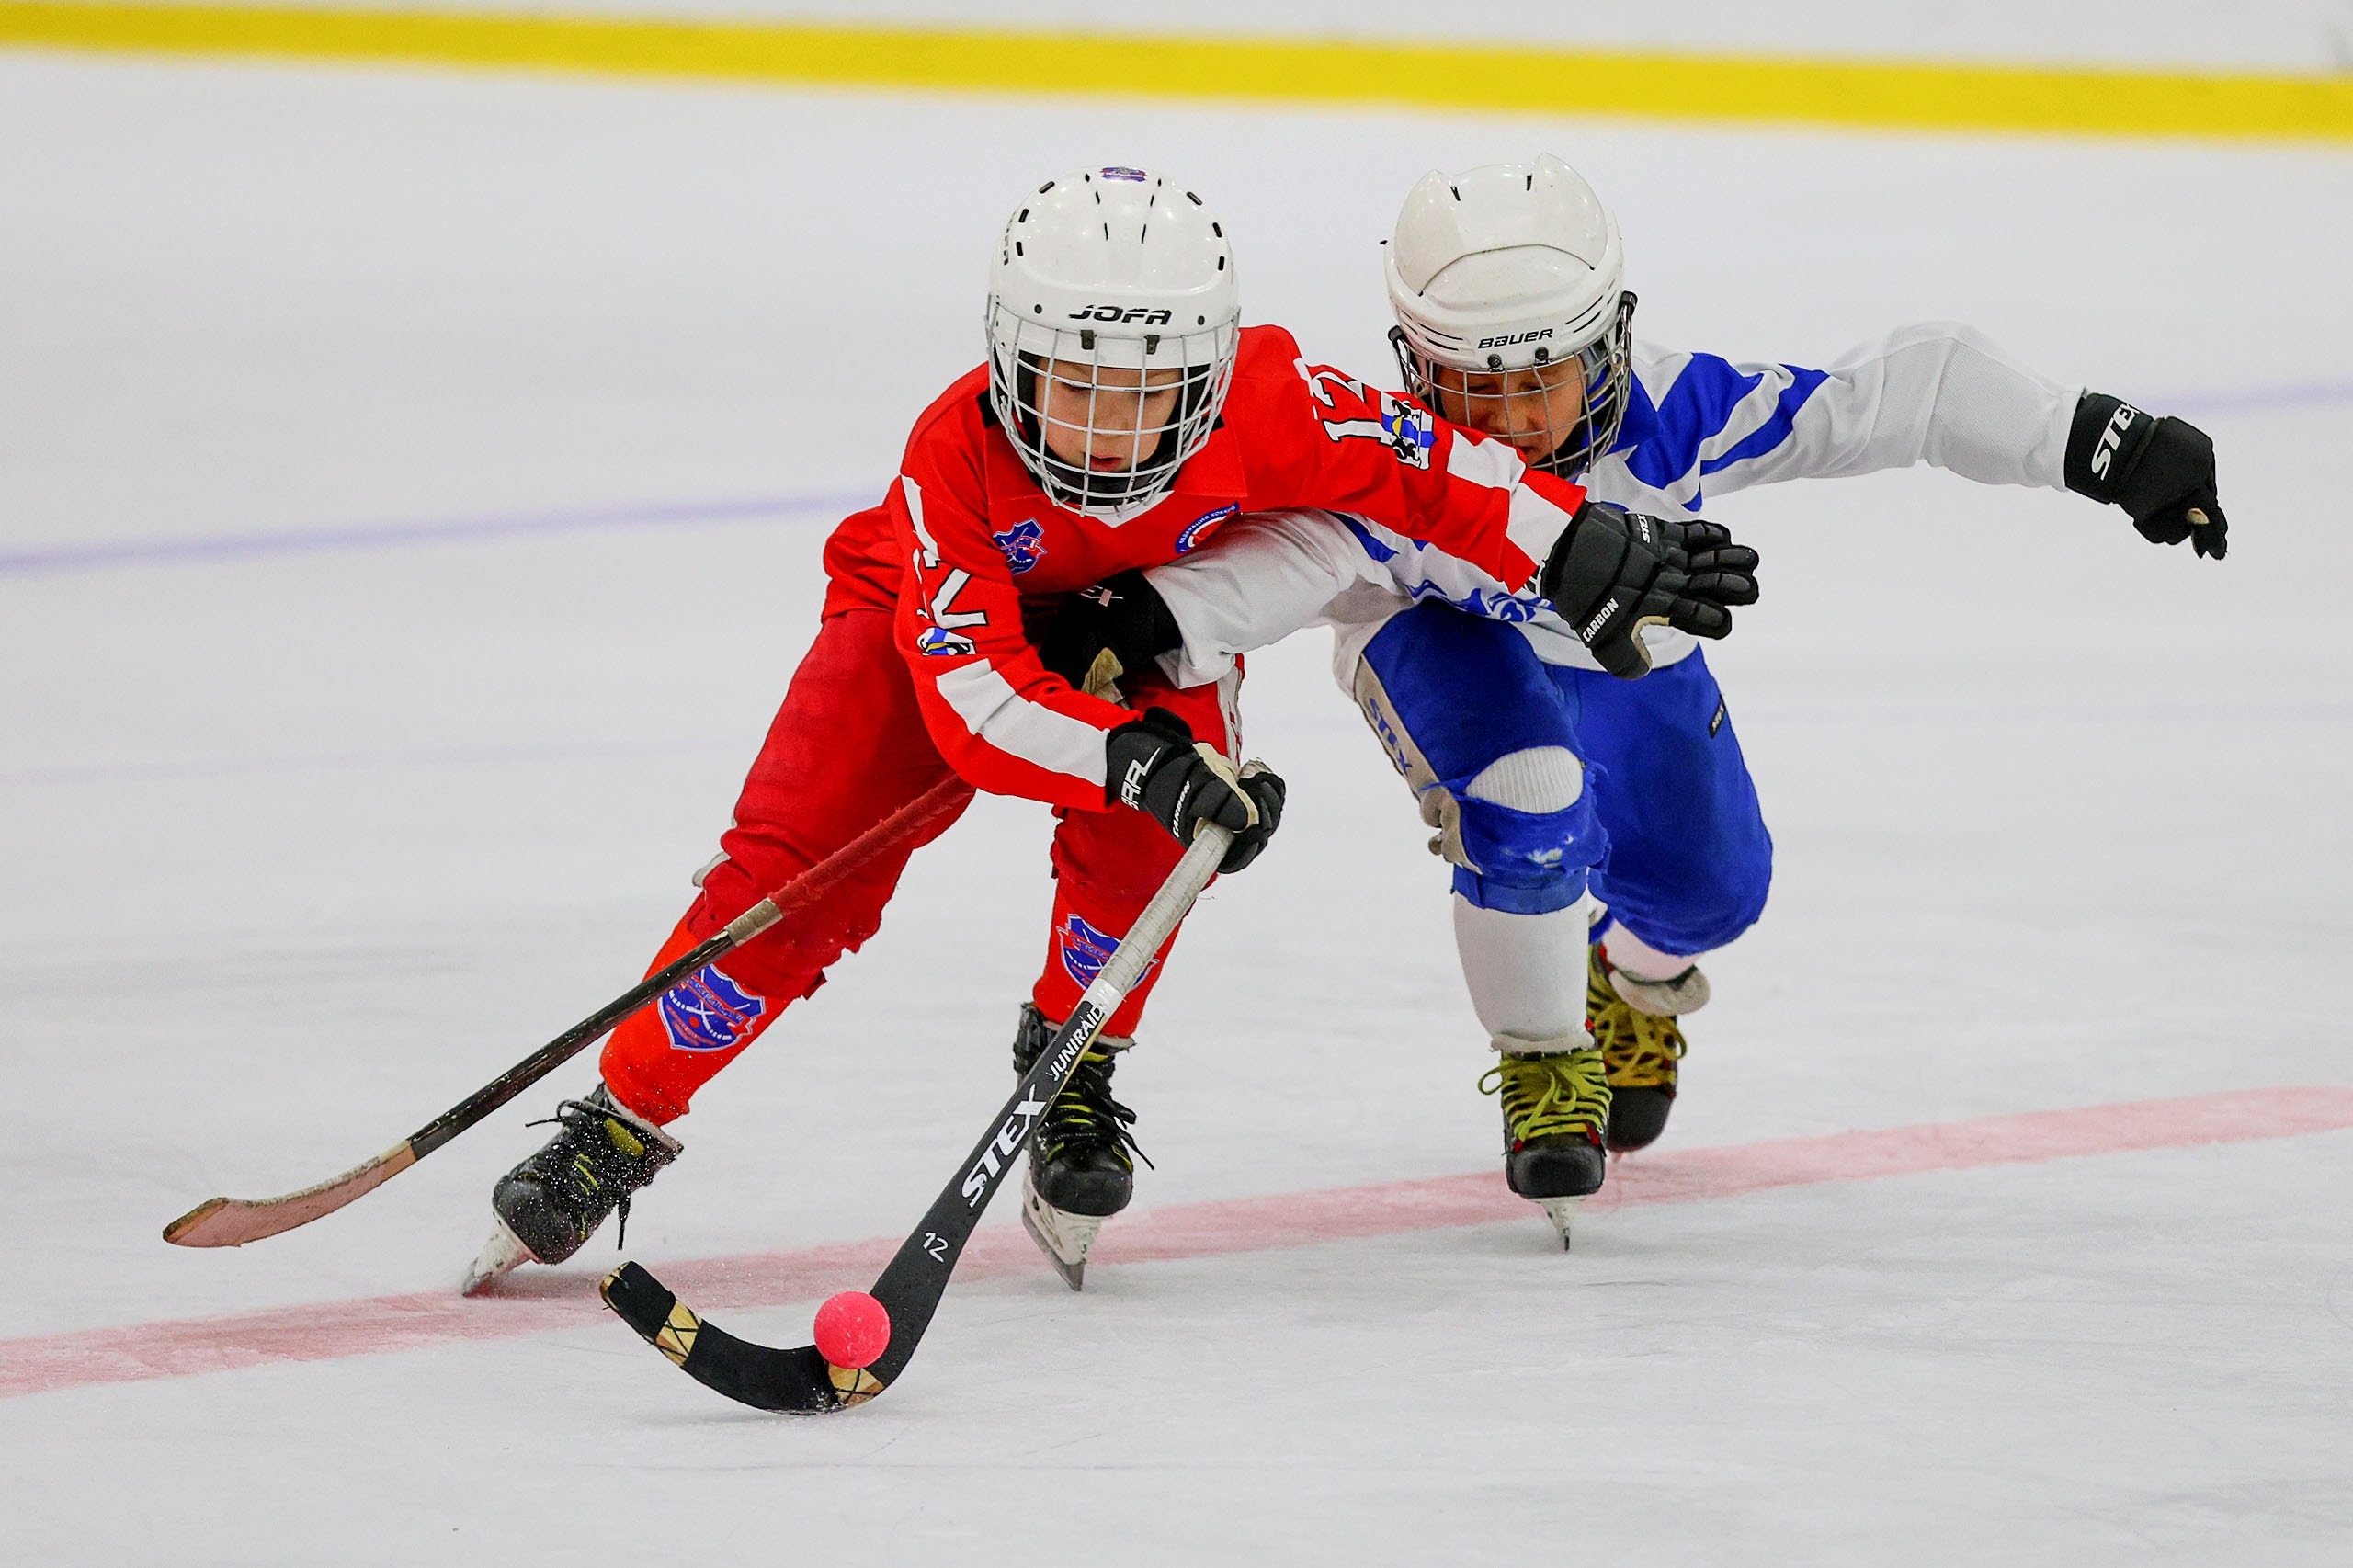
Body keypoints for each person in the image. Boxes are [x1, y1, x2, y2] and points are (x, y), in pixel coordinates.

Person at [461, 165, 1759, 1290]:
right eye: (1071, 387)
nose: (1103, 427)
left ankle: (1075, 1054)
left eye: (1148, 393)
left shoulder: (1272, 395)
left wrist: (1576, 537)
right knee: (797, 873)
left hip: (1146, 630)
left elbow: (1425, 461)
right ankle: (623, 1112)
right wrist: (1133, 758)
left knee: (1147, 861)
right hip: (927, 628)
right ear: (1006, 358)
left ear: (1208, 374)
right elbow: (976, 707)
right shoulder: (948, 460)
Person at [1044, 153, 2226, 1241]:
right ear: (1412, 365)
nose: (1505, 424)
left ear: (1608, 343)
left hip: (1623, 655)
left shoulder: (1681, 416)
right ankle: (1544, 1058)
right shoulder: (1394, 452)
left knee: (1716, 890)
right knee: (1528, 797)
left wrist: (2098, 443)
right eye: (1468, 386)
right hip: (1432, 633)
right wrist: (1151, 617)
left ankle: (1635, 978)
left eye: (1538, 383)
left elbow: (1904, 392)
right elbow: (1300, 556)